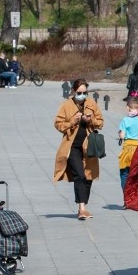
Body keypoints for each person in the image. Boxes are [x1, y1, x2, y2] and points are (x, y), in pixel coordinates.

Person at [53, 79, 104, 220]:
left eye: (85, 93)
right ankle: (82, 208)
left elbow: (100, 123)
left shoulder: (91, 104)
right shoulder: (66, 106)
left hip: (89, 146)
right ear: (73, 92)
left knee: (89, 176)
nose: (82, 95)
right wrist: (72, 121)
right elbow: (58, 124)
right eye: (79, 93)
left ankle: (83, 206)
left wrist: (90, 120)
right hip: (72, 146)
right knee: (79, 176)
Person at [118, 97, 138, 208]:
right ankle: (137, 198)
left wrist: (120, 135)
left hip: (128, 149)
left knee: (125, 174)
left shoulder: (125, 120)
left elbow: (122, 135)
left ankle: (127, 200)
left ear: (127, 107)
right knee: (137, 175)